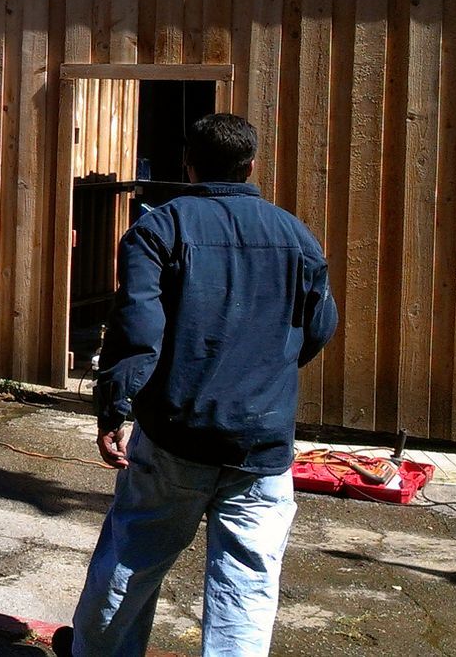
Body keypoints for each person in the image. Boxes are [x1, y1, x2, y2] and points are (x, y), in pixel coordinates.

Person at [55, 113, 338, 657]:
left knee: (133, 557)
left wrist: (115, 408)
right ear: (252, 164)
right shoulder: (296, 235)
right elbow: (320, 326)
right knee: (247, 582)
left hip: (176, 435)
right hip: (263, 441)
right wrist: (265, 377)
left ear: (188, 162)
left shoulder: (159, 229)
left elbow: (138, 330)